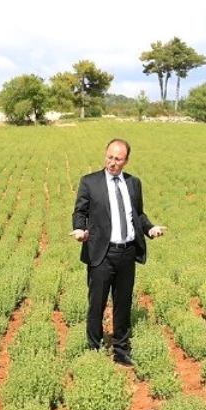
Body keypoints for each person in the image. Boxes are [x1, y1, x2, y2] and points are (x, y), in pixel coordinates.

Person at [71, 139, 166, 366]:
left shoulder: (134, 184)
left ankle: (121, 351)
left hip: (126, 253)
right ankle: (94, 349)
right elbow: (80, 212)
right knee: (97, 304)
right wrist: (79, 229)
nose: (113, 163)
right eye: (110, 157)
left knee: (123, 304)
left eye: (118, 159)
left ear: (126, 161)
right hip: (101, 253)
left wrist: (150, 229)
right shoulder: (90, 182)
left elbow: (138, 215)